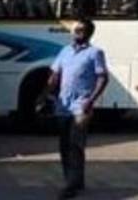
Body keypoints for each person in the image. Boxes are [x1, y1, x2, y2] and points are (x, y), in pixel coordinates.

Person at [43, 18, 109, 199]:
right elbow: (55, 74)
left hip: (81, 105)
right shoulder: (65, 51)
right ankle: (74, 180)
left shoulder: (95, 53)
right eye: (75, 30)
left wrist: (91, 100)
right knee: (64, 145)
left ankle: (70, 185)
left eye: (80, 30)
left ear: (88, 33)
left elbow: (103, 78)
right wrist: (47, 94)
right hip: (63, 105)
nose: (76, 33)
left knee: (75, 143)